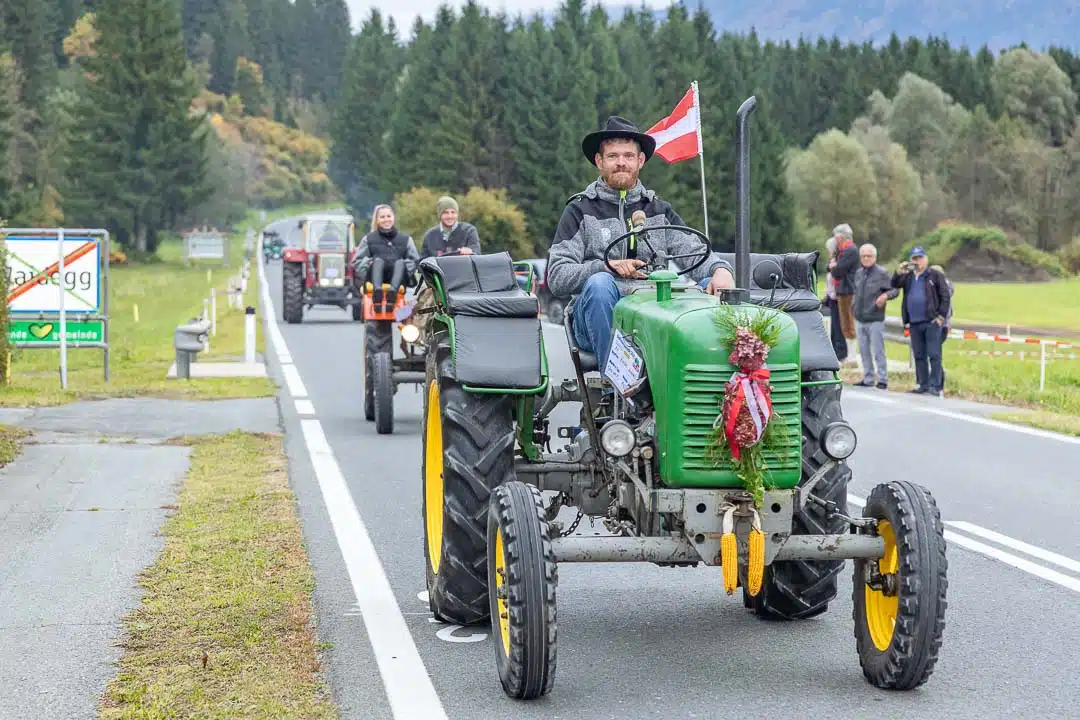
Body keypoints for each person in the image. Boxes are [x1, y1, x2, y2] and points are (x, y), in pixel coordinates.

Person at [546, 115, 735, 370]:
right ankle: (616, 382)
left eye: (628, 156)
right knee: (600, 284)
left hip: (654, 313)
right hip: (597, 316)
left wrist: (720, 270)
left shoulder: (658, 210)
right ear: (599, 161)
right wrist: (607, 267)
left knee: (708, 289)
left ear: (640, 161)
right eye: (612, 156)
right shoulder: (580, 211)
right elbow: (557, 276)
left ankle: (710, 381)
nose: (621, 163)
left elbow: (694, 251)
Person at [891, 246, 951, 397]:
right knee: (919, 355)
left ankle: (935, 386)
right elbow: (894, 284)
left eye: (920, 258)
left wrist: (941, 317)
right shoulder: (909, 276)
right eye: (914, 258)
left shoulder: (934, 275)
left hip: (931, 321)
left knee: (934, 354)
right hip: (914, 321)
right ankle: (922, 384)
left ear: (926, 259)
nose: (917, 261)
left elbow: (945, 296)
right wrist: (899, 272)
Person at [352, 204, 421, 306]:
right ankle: (377, 292)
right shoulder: (368, 239)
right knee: (378, 260)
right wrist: (369, 263)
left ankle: (392, 292)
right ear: (377, 220)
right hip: (374, 276)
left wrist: (405, 267)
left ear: (393, 218)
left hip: (399, 276)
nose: (386, 219)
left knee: (400, 262)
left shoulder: (406, 240)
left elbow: (414, 260)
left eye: (389, 216)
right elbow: (357, 261)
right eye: (382, 217)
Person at [852, 243, 899, 389]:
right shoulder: (859, 273)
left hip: (875, 318)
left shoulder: (882, 273)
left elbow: (894, 290)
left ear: (875, 257)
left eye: (869, 256)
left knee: (878, 350)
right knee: (864, 351)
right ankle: (868, 378)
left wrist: (885, 296)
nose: (866, 258)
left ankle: (883, 379)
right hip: (860, 318)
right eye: (863, 256)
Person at [828, 223, 859, 361]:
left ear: (841, 237)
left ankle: (851, 356)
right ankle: (848, 355)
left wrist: (834, 266)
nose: (835, 240)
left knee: (848, 323)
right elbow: (832, 268)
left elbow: (838, 271)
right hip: (842, 290)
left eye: (836, 237)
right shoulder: (843, 251)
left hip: (848, 290)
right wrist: (833, 266)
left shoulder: (850, 250)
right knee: (844, 323)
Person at [822, 236, 848, 362]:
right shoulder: (832, 261)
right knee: (833, 327)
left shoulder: (839, 262)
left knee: (838, 326)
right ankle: (834, 351)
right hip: (831, 297)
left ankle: (841, 353)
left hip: (838, 298)